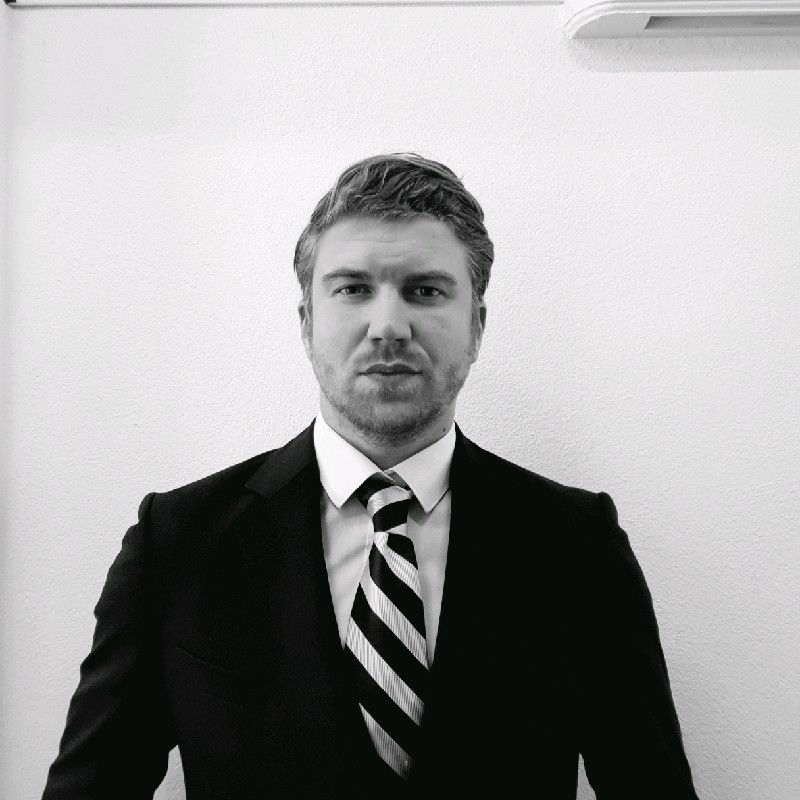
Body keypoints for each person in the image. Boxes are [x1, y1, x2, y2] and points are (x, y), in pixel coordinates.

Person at [42, 153, 700, 799]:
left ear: (477, 325)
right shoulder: (177, 542)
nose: (388, 327)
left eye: (425, 290)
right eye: (353, 288)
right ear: (307, 322)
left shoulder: (577, 545)